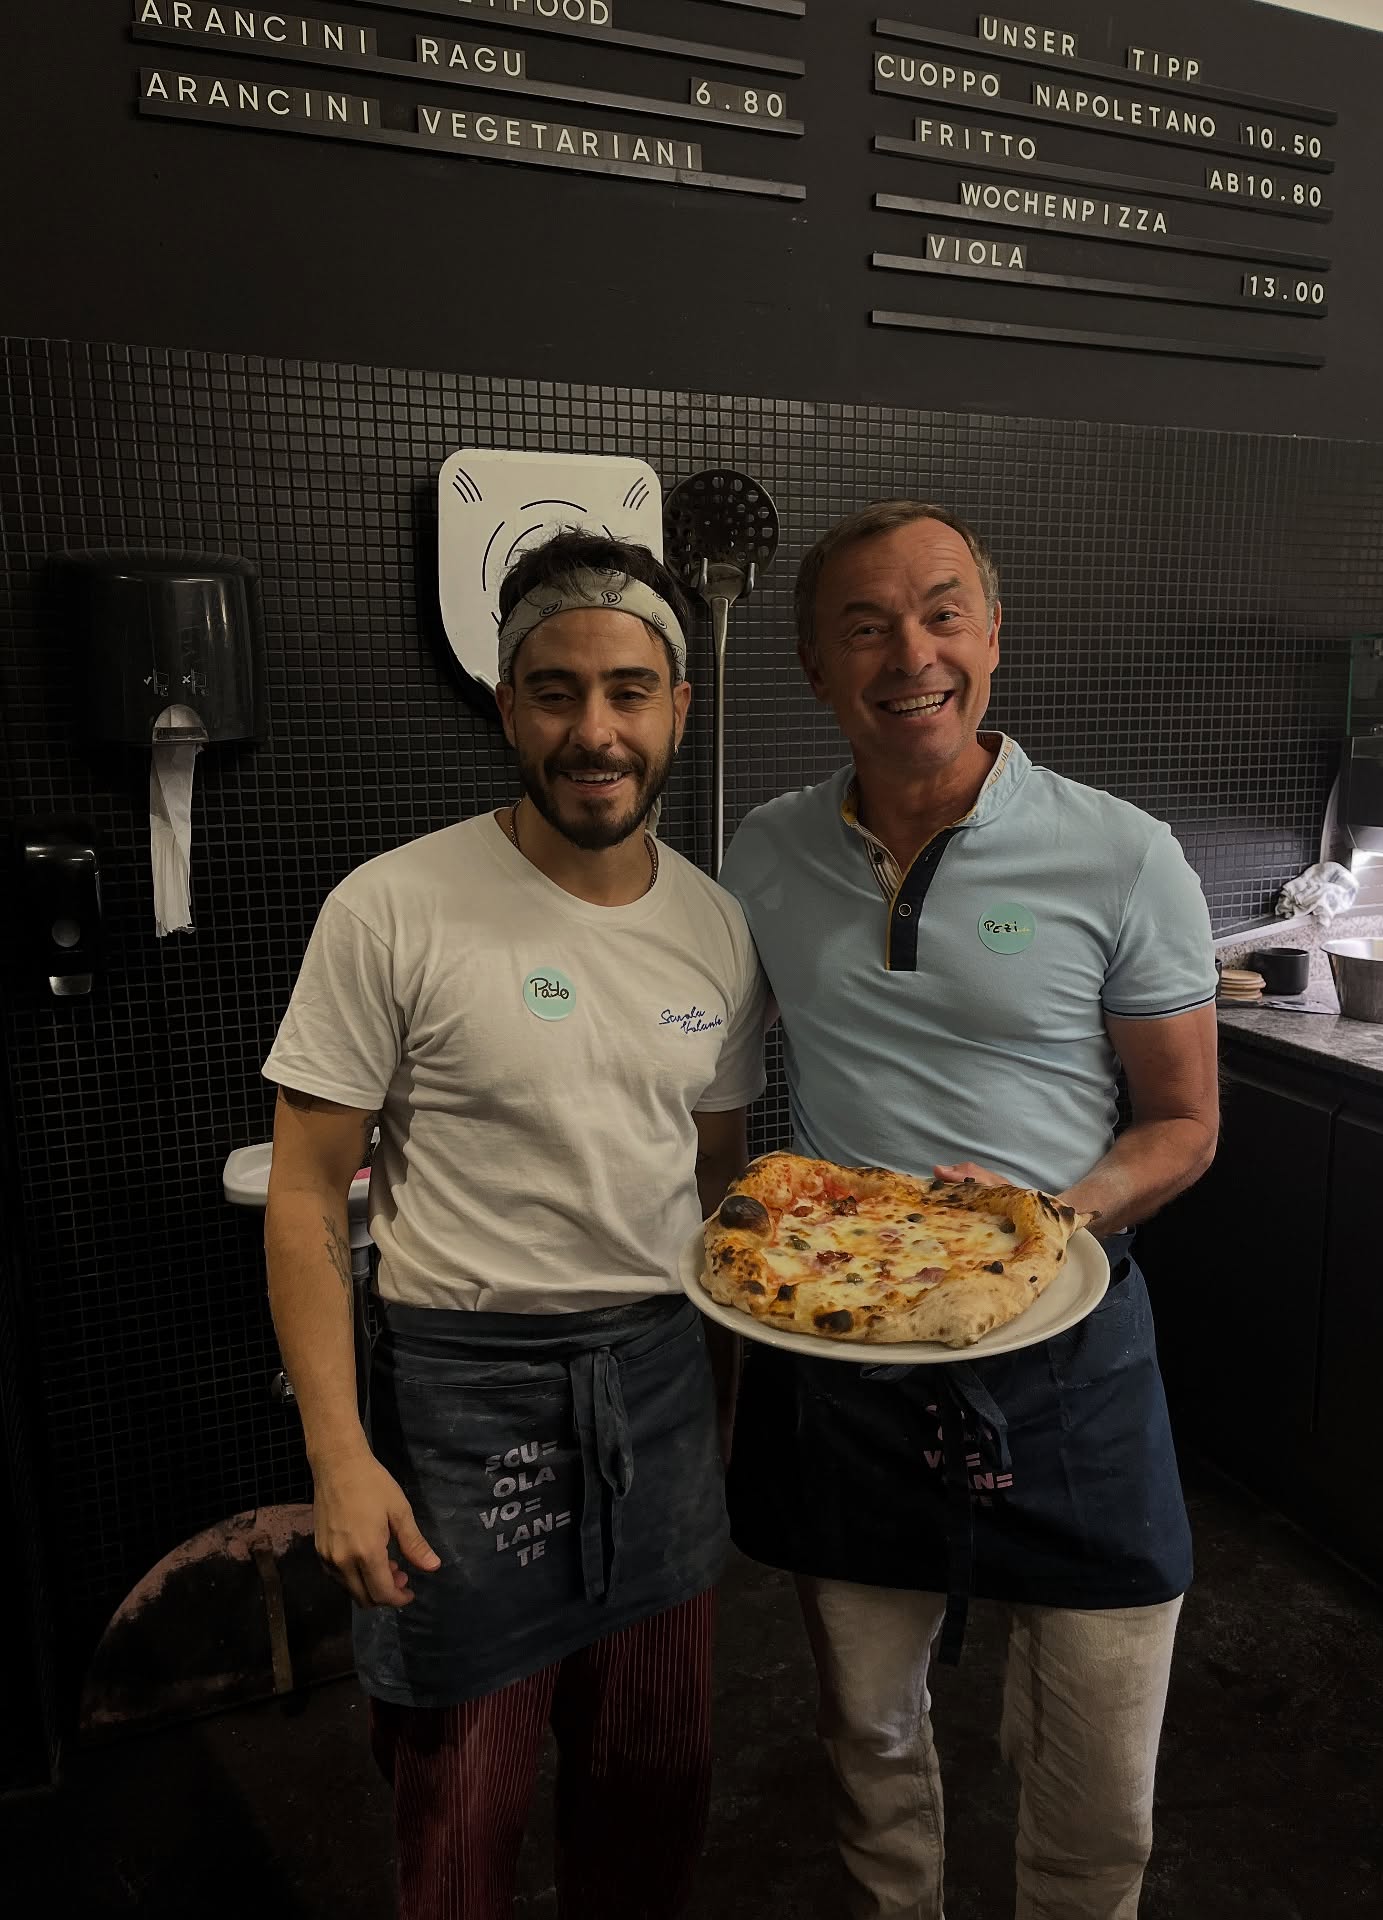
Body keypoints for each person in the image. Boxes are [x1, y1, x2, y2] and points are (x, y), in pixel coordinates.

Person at [720, 500, 1219, 1920]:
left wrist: (1051, 1214)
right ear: (816, 670)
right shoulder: (761, 854)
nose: (910, 652)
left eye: (943, 611)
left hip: (1070, 1350)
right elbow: (682, 1054)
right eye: (864, 626)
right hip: (846, 1346)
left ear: (994, 637)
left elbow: (1183, 1124)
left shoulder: (1123, 854)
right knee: (870, 1744)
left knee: (1098, 1772)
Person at [262, 529, 767, 1920]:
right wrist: (338, 1455)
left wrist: (733, 1394)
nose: (593, 730)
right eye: (556, 691)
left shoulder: (720, 931)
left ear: (678, 704)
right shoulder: (394, 908)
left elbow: (718, 1182)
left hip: (661, 1387)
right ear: (506, 703)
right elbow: (308, 1191)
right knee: (460, 1795)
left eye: (627, 690)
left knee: (656, 1776)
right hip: (464, 1397)